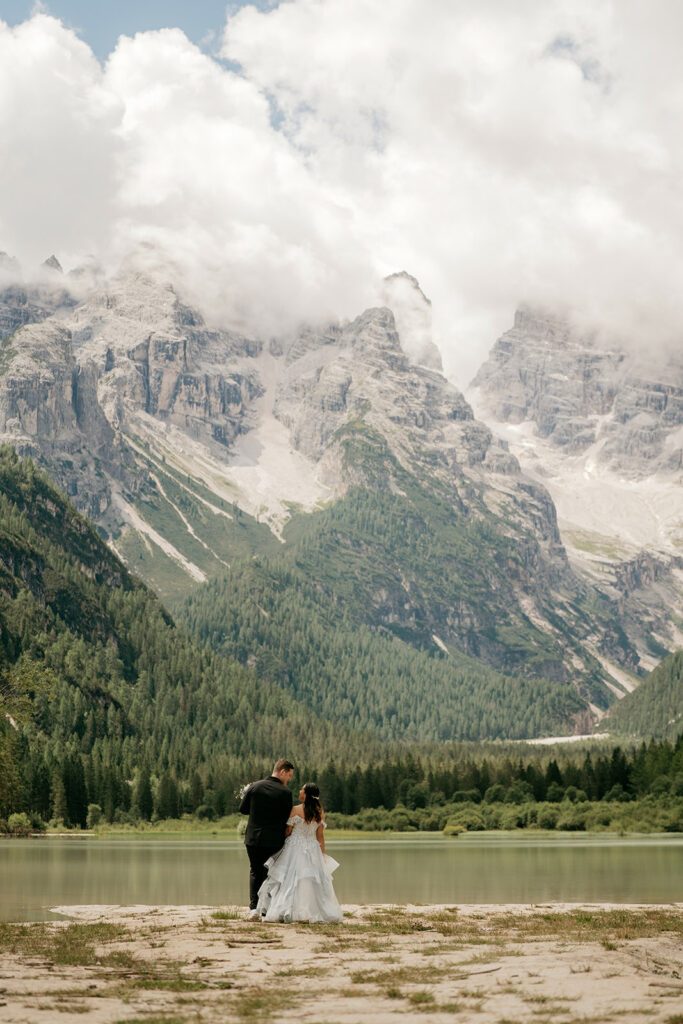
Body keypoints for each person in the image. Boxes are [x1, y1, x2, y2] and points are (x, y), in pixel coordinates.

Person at [256, 781, 343, 923]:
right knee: (311, 880)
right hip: (313, 848)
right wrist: (321, 855)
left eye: (302, 790)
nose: (299, 792)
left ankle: (290, 910)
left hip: (294, 848)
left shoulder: (295, 810)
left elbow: (288, 831)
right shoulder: (320, 812)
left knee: (290, 879)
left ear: (307, 794)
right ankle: (312, 910)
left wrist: (285, 833)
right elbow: (320, 836)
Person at [239, 758, 294, 920]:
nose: (289, 779)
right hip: (274, 840)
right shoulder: (285, 793)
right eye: (289, 775)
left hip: (253, 838)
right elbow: (286, 817)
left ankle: (254, 909)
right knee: (272, 874)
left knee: (256, 871)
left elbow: (242, 810)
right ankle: (267, 912)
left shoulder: (254, 787)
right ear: (282, 771)